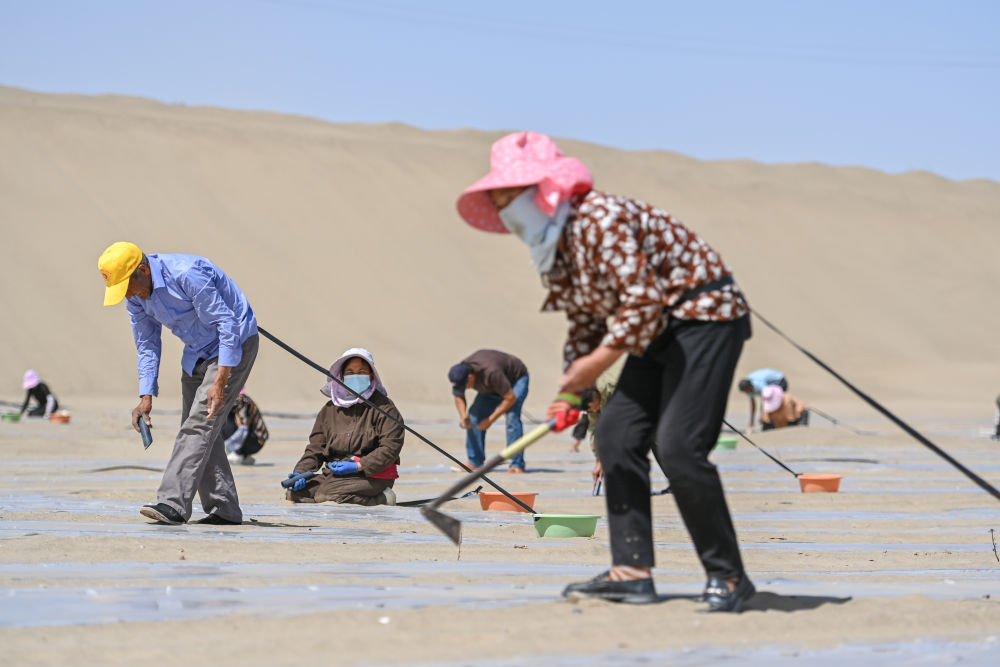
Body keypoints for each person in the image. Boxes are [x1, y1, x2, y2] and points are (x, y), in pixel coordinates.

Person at [455, 131, 755, 613]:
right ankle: (631, 571)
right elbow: (586, 323)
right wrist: (574, 393)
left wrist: (593, 366)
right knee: (615, 435)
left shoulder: (600, 218)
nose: (507, 211)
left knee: (679, 446)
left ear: (545, 191)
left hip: (705, 320)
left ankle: (729, 576)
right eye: (499, 202)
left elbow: (641, 300)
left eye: (511, 197)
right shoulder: (554, 248)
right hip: (653, 334)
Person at [99, 241, 258, 526]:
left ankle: (172, 503)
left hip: (232, 346)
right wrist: (146, 395)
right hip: (196, 353)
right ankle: (225, 509)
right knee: (200, 429)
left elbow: (227, 324)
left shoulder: (186, 274)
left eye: (127, 287)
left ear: (144, 270)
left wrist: (221, 381)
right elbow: (147, 344)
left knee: (198, 425)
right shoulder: (135, 298)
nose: (128, 296)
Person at [287, 348, 403, 506]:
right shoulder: (329, 409)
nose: (355, 376)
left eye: (361, 371)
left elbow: (391, 447)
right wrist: (300, 472)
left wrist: (358, 466)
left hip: (371, 476)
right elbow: (315, 448)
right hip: (334, 475)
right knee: (294, 493)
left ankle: (383, 498)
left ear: (371, 375)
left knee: (326, 495)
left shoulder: (385, 407)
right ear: (342, 377)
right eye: (350, 372)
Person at [448, 349, 531, 473]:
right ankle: (475, 461)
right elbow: (459, 396)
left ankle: (517, 464)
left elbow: (510, 398)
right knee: (473, 417)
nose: (464, 389)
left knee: (512, 417)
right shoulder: (462, 370)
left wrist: (490, 420)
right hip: (490, 387)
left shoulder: (491, 372)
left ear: (470, 377)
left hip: (515, 380)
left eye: (464, 385)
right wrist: (463, 416)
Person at [221, 390, 269, 465]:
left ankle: (238, 453)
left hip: (256, 442)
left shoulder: (241, 401)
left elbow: (243, 430)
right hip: (254, 440)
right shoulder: (239, 399)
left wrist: (227, 447)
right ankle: (244, 455)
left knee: (225, 420)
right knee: (223, 418)